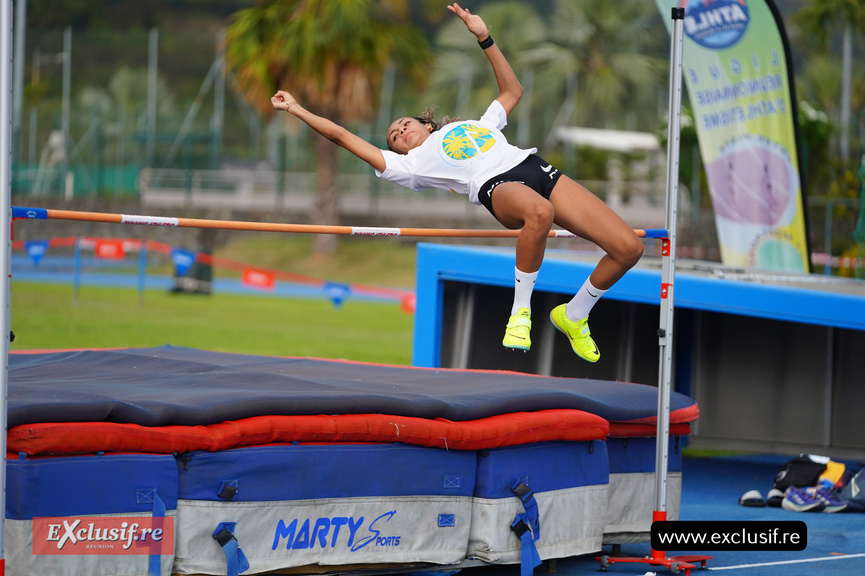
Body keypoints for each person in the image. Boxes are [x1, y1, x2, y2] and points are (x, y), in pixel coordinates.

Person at [271, 3, 643, 363]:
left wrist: (485, 38)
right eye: (393, 135)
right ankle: (520, 314)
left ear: (425, 123)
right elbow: (341, 136)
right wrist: (297, 109)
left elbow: (512, 91)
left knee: (628, 248)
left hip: (532, 166)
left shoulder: (477, 125)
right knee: (539, 212)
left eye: (403, 123)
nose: (400, 130)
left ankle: (575, 315)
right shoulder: (410, 165)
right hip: (497, 185)